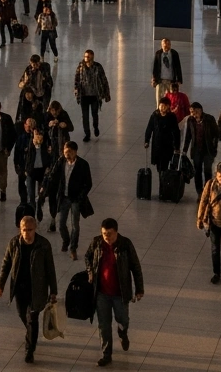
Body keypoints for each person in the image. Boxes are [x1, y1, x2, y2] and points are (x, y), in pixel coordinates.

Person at [0, 216, 58, 365]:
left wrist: (53, 291)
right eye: (24, 230)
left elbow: (50, 269)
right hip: (19, 288)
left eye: (30, 230)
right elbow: (6, 264)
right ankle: (32, 334)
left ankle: (29, 350)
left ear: (35, 228)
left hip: (36, 289)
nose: (27, 233)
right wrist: (1, 285)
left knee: (32, 318)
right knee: (22, 314)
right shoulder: (14, 243)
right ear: (20, 229)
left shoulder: (43, 245)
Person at [84, 218, 144, 366]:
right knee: (104, 325)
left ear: (116, 232)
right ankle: (106, 354)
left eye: (109, 234)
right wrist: (90, 271)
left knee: (123, 319)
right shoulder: (97, 243)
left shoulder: (125, 245)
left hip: (120, 294)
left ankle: (122, 333)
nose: (106, 237)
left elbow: (135, 267)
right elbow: (87, 257)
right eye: (104, 233)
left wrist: (139, 289)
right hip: (102, 294)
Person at [42, 141, 93, 259]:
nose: (67, 154)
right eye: (65, 152)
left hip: (75, 199)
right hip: (64, 197)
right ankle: (66, 240)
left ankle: (73, 247)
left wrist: (81, 196)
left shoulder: (83, 165)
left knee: (75, 225)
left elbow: (88, 183)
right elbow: (52, 175)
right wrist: (45, 187)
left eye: (69, 152)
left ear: (75, 152)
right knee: (61, 224)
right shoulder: (61, 162)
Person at [73, 49, 111, 142]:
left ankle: (95, 127)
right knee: (85, 116)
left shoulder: (98, 67)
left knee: (94, 114)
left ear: (92, 57)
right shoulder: (80, 67)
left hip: (95, 95)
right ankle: (87, 134)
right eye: (85, 56)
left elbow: (104, 80)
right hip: (84, 95)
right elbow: (76, 79)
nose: (86, 58)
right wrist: (76, 89)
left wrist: (107, 94)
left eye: (88, 57)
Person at [183, 102, 220, 196]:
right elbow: (188, 135)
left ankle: (207, 191)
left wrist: (214, 146)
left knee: (207, 171)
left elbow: (216, 133)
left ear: (200, 110)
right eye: (191, 112)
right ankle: (200, 193)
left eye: (194, 111)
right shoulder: (190, 120)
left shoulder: (209, 119)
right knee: (197, 171)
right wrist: (185, 150)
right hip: (196, 150)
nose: (193, 114)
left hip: (208, 150)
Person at [143, 98, 181, 177]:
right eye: (161, 105)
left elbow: (176, 132)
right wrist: (147, 140)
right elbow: (149, 128)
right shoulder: (155, 115)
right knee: (159, 166)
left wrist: (177, 146)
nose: (162, 107)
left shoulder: (171, 117)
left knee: (164, 164)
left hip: (167, 145)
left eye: (164, 106)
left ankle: (163, 181)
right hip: (157, 144)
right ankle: (162, 179)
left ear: (168, 107)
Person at [151, 38, 183, 102]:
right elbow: (155, 67)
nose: (166, 46)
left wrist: (179, 79)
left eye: (168, 44)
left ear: (170, 45)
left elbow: (178, 67)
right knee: (159, 99)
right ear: (161, 45)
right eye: (164, 45)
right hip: (161, 80)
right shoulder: (158, 54)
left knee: (171, 99)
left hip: (171, 81)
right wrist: (154, 78)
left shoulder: (174, 54)